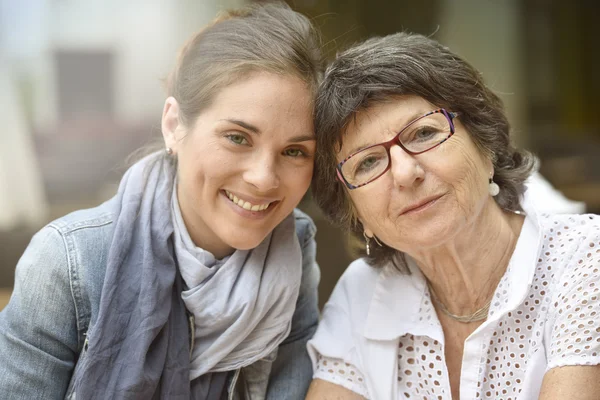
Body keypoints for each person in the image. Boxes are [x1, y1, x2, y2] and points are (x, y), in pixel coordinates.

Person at [0, 3, 323, 399]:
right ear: (174, 125)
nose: (263, 178)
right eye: (237, 138)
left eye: (295, 151)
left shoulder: (292, 247)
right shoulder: (66, 262)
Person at [305, 32, 600, 400]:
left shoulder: (585, 258)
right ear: (355, 212)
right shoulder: (362, 293)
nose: (404, 173)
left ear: (486, 145)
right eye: (367, 162)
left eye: (424, 133)